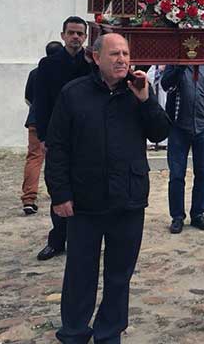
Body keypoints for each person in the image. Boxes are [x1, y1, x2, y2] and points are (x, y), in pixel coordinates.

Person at [45, 33, 169, 343]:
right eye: (114, 54)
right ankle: (74, 331)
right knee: (80, 271)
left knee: (119, 274)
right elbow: (57, 147)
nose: (122, 59)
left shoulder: (138, 92)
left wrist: (146, 100)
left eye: (125, 53)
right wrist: (60, 194)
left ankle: (109, 332)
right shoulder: (74, 93)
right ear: (96, 57)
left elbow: (160, 132)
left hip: (128, 198)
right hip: (85, 200)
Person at [34, 17, 92, 262]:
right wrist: (43, 136)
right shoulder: (48, 64)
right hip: (57, 134)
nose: (75, 37)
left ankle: (82, 239)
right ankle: (56, 240)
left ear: (85, 37)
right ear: (63, 35)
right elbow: (40, 102)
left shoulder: (91, 64)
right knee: (59, 187)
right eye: (71, 33)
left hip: (85, 135)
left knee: (84, 188)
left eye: (80, 33)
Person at [161, 65, 204, 233]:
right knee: (176, 175)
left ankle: (198, 214)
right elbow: (166, 85)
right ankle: (177, 216)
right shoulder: (175, 64)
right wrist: (179, 67)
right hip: (178, 128)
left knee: (203, 174)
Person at [21, 40, 63, 215]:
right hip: (57, 120)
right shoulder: (62, 71)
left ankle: (29, 198)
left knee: (34, 157)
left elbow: (28, 97)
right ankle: (58, 192)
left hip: (36, 119)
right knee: (60, 157)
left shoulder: (35, 72)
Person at [146, 65, 168, 150]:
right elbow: (148, 78)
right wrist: (159, 70)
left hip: (166, 93)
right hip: (157, 92)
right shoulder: (155, 66)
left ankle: (165, 142)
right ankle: (153, 143)